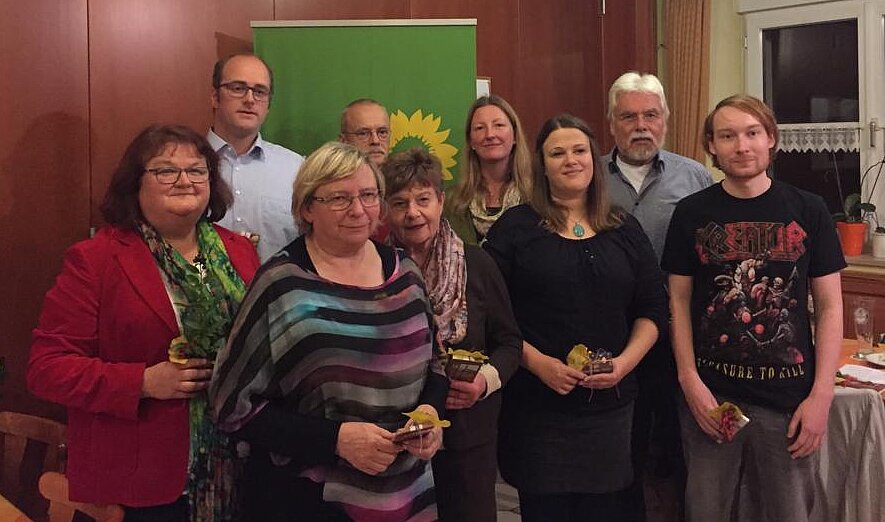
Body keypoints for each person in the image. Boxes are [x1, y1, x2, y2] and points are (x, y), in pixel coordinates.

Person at [27, 125, 261, 521]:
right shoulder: (96, 259)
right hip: (142, 481)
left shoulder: (238, 250)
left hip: (238, 465)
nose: (185, 180)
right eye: (166, 170)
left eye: (198, 170)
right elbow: (46, 368)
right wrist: (143, 383)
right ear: (134, 183)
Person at [209, 142, 448, 521]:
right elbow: (230, 405)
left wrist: (429, 415)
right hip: (308, 500)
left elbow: (435, 366)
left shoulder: (405, 273)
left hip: (407, 496)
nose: (358, 209)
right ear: (307, 208)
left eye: (369, 195)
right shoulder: (282, 283)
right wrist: (335, 441)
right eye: (339, 198)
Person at [661, 94, 845, 521]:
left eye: (752, 133)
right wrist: (690, 382)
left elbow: (832, 306)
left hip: (789, 403)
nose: (741, 146)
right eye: (727, 135)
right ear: (711, 145)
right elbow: (679, 301)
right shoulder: (691, 213)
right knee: (705, 511)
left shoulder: (808, 209)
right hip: (712, 399)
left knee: (790, 513)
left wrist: (821, 396)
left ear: (771, 140)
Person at [484, 114, 668, 521]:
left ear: (594, 158)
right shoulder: (514, 229)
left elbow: (653, 308)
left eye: (580, 150)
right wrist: (538, 364)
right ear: (541, 164)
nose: (571, 160)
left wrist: (623, 365)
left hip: (614, 411)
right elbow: (492, 315)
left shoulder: (623, 227)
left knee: (612, 510)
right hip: (538, 410)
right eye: (558, 152)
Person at [382, 148, 522, 521]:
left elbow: (510, 343)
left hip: (467, 434)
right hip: (396, 433)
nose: (413, 212)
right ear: (385, 210)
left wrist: (484, 381)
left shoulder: (477, 263)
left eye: (423, 199)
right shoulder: (377, 268)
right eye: (400, 202)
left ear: (441, 201)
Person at [603, 71, 713, 519]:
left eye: (651, 114)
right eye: (629, 116)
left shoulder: (695, 177)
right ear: (612, 123)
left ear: (666, 119)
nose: (641, 125)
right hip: (610, 332)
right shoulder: (590, 177)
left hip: (678, 332)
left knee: (676, 439)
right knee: (622, 443)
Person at [207, 53, 304, 261]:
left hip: (278, 291)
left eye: (260, 91)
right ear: (215, 97)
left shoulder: (297, 169)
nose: (250, 99)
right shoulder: (184, 168)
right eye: (238, 88)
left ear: (268, 105)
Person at [445, 95, 532, 244]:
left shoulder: (537, 197)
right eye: (480, 128)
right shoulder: (450, 201)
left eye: (499, 125)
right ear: (471, 141)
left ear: (515, 136)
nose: (490, 135)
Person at [339, 98, 391, 167]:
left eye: (382, 132)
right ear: (343, 141)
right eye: (363, 133)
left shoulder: (400, 177)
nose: (375, 141)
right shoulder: (334, 177)